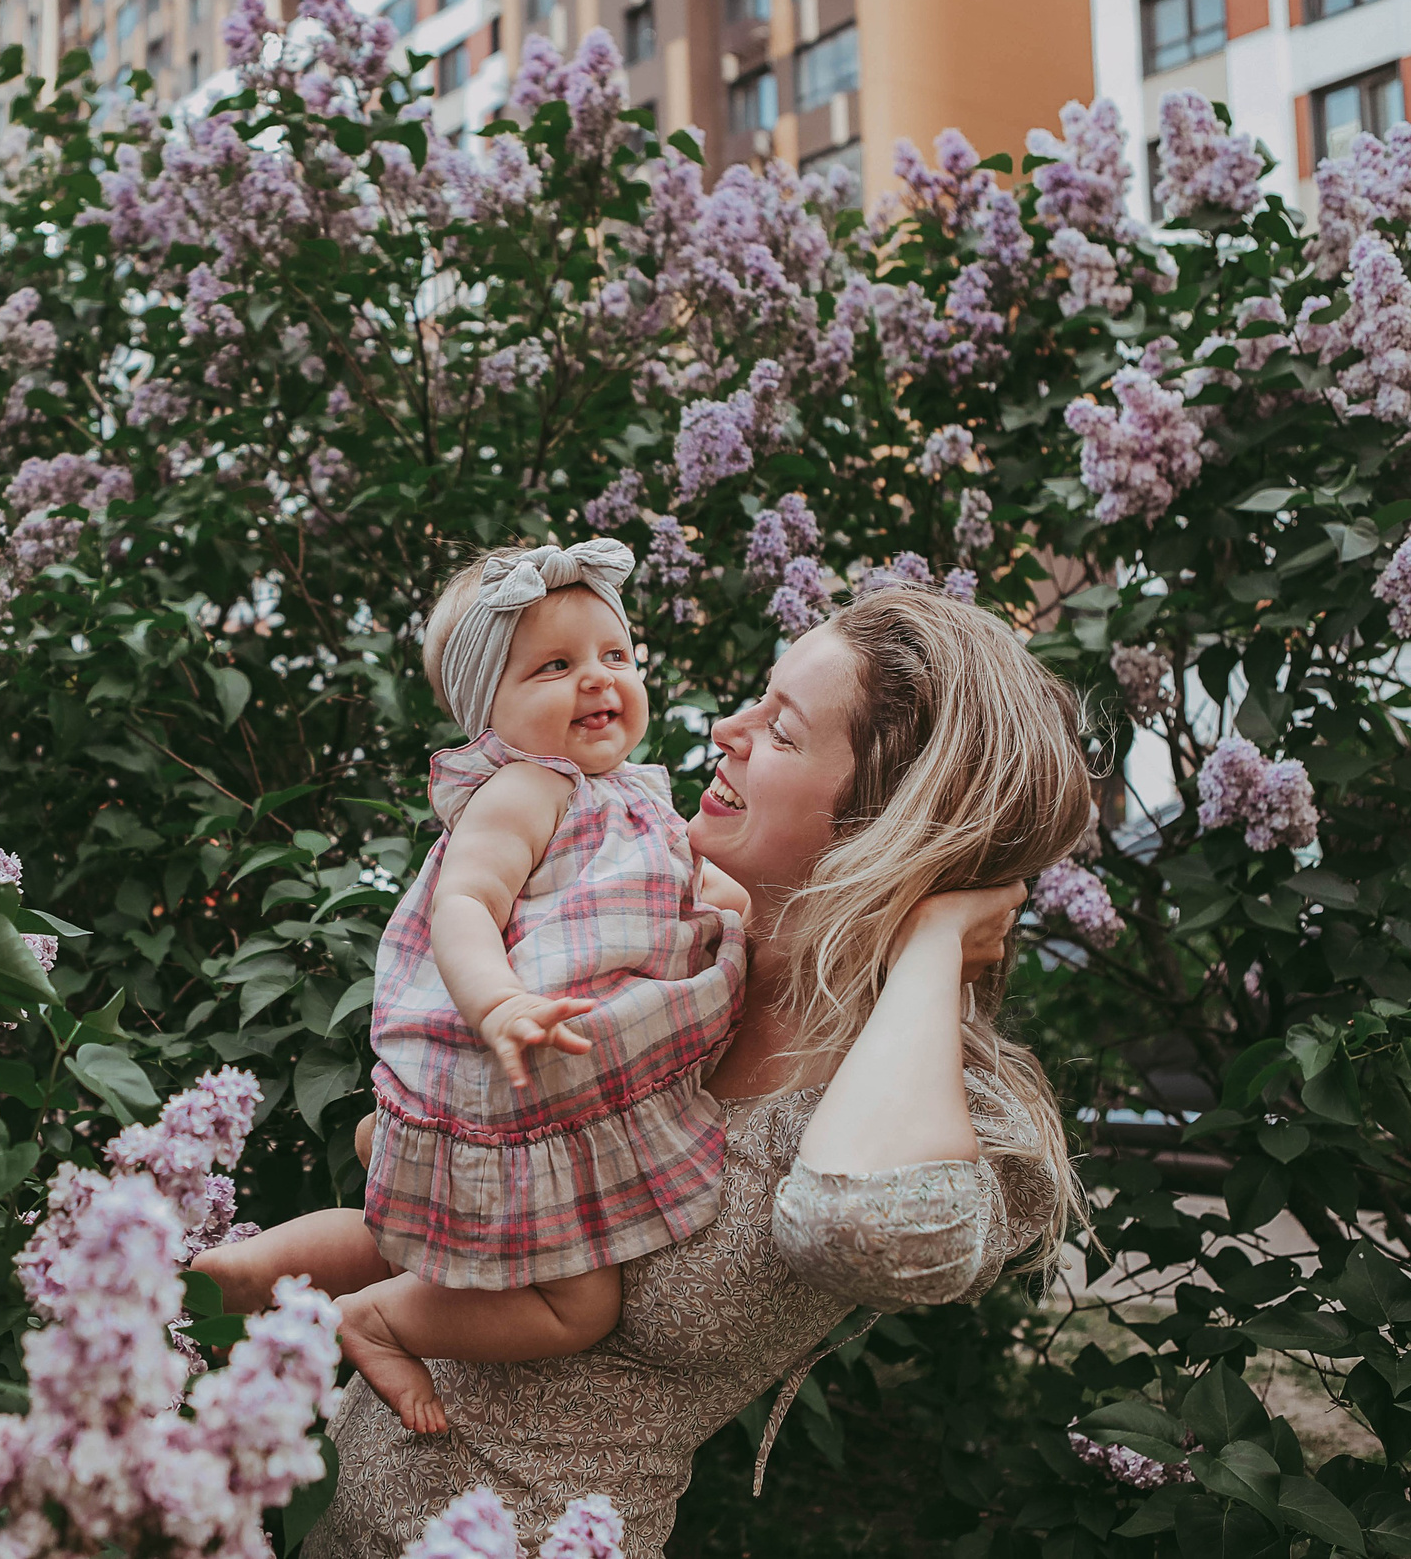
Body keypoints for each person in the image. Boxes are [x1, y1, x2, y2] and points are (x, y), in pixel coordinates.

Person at [301, 582, 1092, 1559]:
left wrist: (932, 936)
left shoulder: (940, 1100)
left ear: (885, 819)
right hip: (335, 1517)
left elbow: (870, 1226)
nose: (726, 728)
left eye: (782, 729)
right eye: (754, 698)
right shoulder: (657, 935)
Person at [197, 541, 748, 1433]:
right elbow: (463, 903)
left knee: (417, 1241)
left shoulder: (631, 793)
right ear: (486, 712)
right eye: (556, 666)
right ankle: (370, 1319)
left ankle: (260, 1267)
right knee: (578, 1307)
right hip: (527, 1085)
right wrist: (497, 1004)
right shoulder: (525, 789)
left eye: (615, 656)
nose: (598, 680)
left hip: (570, 1080)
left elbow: (662, 890)